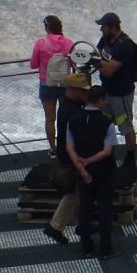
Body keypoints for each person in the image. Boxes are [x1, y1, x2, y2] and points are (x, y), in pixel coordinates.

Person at [67, 85, 120, 259]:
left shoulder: (74, 120)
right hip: (104, 171)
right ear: (100, 101)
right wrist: (89, 160)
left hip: (84, 173)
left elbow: (70, 147)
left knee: (85, 208)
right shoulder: (107, 123)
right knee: (105, 208)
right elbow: (107, 151)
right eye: (104, 100)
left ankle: (86, 247)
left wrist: (82, 168)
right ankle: (106, 248)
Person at [42, 72, 92, 244]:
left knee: (76, 191)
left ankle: (74, 224)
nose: (86, 94)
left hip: (67, 154)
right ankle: (57, 226)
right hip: (73, 156)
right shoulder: (74, 111)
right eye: (83, 91)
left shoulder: (65, 107)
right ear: (74, 90)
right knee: (75, 191)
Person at [93, 11, 137, 168]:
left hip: (121, 93)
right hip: (106, 91)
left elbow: (108, 70)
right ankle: (107, 155)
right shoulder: (105, 40)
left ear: (113, 27)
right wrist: (97, 61)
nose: (101, 29)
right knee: (105, 124)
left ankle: (130, 159)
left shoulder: (125, 46)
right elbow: (99, 55)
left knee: (126, 126)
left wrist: (94, 62)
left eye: (103, 26)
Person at [30, 14, 75, 152]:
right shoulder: (68, 43)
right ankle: (67, 147)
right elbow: (73, 62)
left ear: (47, 28)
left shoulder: (40, 43)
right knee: (66, 116)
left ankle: (53, 148)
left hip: (47, 84)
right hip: (65, 83)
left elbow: (33, 65)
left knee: (50, 119)